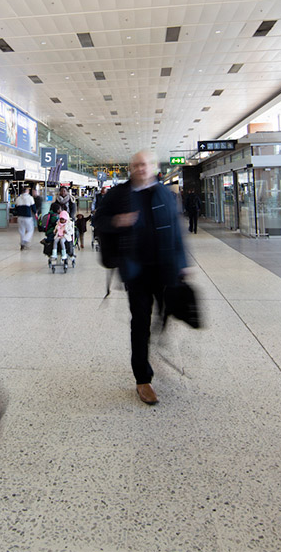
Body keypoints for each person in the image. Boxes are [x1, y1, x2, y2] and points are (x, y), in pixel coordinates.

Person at [92, 151, 189, 405]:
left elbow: (177, 231)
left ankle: (154, 347)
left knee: (165, 315)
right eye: (135, 164)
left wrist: (183, 264)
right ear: (130, 168)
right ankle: (142, 379)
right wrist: (117, 220)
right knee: (140, 322)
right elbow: (97, 220)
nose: (140, 168)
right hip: (136, 271)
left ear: (153, 167)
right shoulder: (118, 195)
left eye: (144, 164)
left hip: (165, 269)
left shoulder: (166, 195)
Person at [12, 186, 37, 251]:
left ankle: (22, 245)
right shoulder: (30, 198)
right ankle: (25, 240)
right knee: (30, 230)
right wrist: (35, 213)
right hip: (27, 217)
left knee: (21, 230)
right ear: (26, 191)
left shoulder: (18, 198)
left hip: (20, 217)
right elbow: (33, 207)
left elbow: (16, 208)